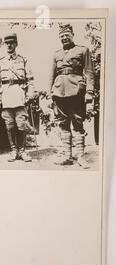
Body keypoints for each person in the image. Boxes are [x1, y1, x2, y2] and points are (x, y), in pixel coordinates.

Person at [48, 24, 95, 169]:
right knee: (62, 122)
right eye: (61, 36)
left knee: (78, 122)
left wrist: (89, 92)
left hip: (76, 90)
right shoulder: (56, 54)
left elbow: (89, 72)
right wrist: (50, 94)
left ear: (72, 35)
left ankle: (80, 156)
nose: (64, 38)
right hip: (59, 91)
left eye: (66, 35)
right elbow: (51, 75)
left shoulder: (82, 50)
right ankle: (67, 156)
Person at [0, 33, 36, 162]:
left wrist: (30, 94)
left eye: (12, 43)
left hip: (20, 95)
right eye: (7, 43)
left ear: (16, 44)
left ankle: (22, 151)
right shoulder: (0, 61)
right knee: (9, 124)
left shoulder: (23, 60)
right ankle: (13, 150)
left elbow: (30, 79)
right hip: (6, 95)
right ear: (4, 45)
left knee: (21, 123)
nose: (9, 45)